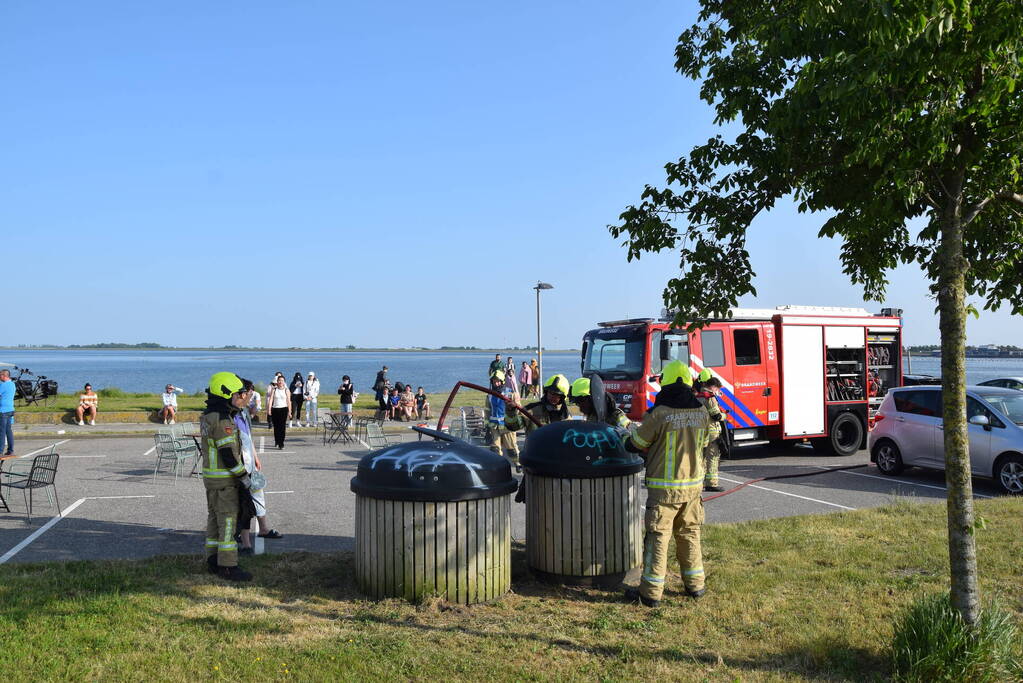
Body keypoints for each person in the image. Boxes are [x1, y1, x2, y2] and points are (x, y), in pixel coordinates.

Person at [622, 360, 710, 607]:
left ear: (666, 384)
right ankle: (696, 586)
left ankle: (650, 593)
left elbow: (635, 443)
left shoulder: (660, 414)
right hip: (694, 488)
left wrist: (627, 433)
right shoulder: (702, 412)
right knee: (690, 534)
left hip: (664, 491)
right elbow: (707, 441)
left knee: (658, 538)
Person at [200, 371, 254, 582]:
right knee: (229, 522)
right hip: (225, 482)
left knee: (214, 519)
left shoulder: (208, 416)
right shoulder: (224, 421)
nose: (242, 397)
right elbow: (229, 455)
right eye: (239, 393)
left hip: (211, 480)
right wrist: (244, 478)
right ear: (227, 395)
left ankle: (212, 560)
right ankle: (228, 565)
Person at [234, 380, 284, 555]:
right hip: (241, 467)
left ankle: (263, 528)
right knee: (243, 503)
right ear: (241, 393)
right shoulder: (232, 415)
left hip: (250, 463)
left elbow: (248, 438)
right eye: (249, 393)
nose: (250, 396)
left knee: (258, 493)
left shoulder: (244, 413)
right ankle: (243, 539)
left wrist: (255, 457)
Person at [504, 374, 571, 435]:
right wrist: (511, 412)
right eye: (550, 392)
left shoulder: (567, 416)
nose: (551, 396)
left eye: (556, 394)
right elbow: (513, 427)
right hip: (535, 448)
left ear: (563, 397)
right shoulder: (531, 409)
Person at [484, 370, 520, 469]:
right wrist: (486, 425)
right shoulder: (490, 395)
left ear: (502, 381)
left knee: (511, 449)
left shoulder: (510, 394)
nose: (496, 383)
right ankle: (498, 467)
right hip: (494, 426)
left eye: (498, 381)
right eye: (494, 381)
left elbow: (519, 409)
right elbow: (487, 410)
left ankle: (518, 465)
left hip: (507, 426)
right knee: (495, 449)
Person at [697, 376, 726, 492]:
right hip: (712, 432)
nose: (717, 392)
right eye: (717, 389)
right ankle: (712, 484)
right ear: (713, 387)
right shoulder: (710, 398)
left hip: (700, 432)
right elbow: (716, 416)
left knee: (701, 458)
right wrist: (725, 415)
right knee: (713, 457)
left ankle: (700, 483)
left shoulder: (698, 396)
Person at [266, 375, 292, 449]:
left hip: (284, 409)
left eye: (282, 380)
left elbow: (288, 401)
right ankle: (277, 441)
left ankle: (281, 443)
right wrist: (269, 409)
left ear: (284, 382)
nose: (280, 382)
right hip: (275, 409)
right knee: (276, 427)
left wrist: (290, 412)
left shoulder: (286, 390)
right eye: (279, 380)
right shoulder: (274, 390)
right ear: (277, 382)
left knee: (282, 427)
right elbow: (270, 400)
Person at [0, 369, 15, 457]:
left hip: (3, 411)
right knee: (8, 431)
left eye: (0, 375)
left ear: (4, 375)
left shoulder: (3, 385)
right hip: (10, 409)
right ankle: (10, 450)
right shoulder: (12, 384)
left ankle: (0, 451)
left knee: (1, 431)